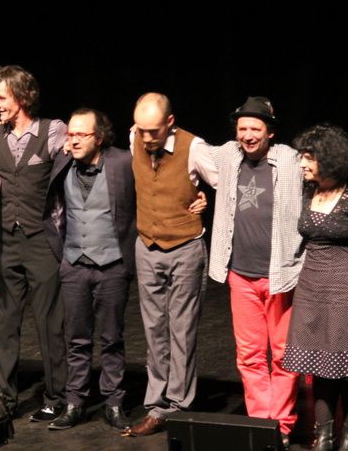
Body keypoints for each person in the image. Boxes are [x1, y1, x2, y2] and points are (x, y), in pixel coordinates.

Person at [0, 65, 67, 422]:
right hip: (8, 241)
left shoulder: (53, 131)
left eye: (1, 96)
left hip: (42, 242)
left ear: (23, 97)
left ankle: (57, 396)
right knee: (6, 321)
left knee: (49, 322)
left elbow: (77, 166)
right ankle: (5, 397)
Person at [204, 96, 304, 447]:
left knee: (282, 354)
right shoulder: (229, 155)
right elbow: (192, 150)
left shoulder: (290, 161)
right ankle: (261, 424)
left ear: (270, 132)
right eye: (242, 128)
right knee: (248, 354)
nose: (247, 135)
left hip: (280, 275)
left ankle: (283, 425)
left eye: (255, 129)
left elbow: (326, 177)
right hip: (240, 275)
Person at [124, 92, 216, 437]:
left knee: (181, 328)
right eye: (141, 130)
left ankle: (176, 405)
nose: (147, 137)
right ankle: (155, 402)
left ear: (170, 124)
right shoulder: (134, 137)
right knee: (153, 328)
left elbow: (226, 181)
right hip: (147, 244)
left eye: (154, 131)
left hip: (185, 246)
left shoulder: (194, 148)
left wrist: (206, 197)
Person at [282, 124, 348, 451]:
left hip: (346, 288)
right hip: (311, 287)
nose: (303, 164)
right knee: (318, 366)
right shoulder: (311, 191)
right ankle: (322, 436)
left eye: (309, 158)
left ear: (329, 159)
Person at [43, 108, 136, 431]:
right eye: (70, 134)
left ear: (99, 137)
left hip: (112, 264)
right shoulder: (62, 161)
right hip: (74, 265)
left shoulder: (123, 162)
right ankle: (75, 402)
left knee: (112, 338)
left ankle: (113, 402)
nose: (73, 140)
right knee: (77, 339)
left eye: (81, 134)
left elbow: (152, 190)